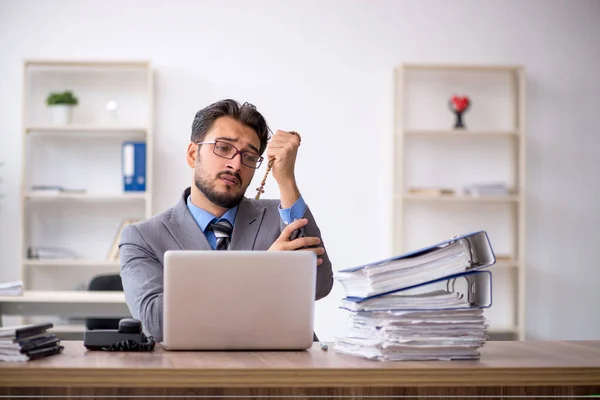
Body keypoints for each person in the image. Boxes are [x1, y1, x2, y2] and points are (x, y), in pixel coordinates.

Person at [119, 99, 334, 341]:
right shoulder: (143, 237)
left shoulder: (281, 215)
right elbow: (156, 323)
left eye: (250, 157)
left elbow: (320, 285)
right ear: (193, 154)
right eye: (223, 148)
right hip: (194, 373)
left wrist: (286, 180)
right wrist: (262, 272)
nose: (235, 165)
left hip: (282, 371)